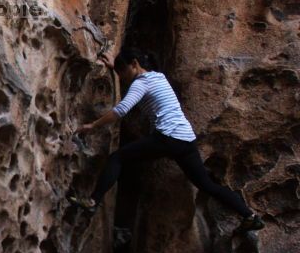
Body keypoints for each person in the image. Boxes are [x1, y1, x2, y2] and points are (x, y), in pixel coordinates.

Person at [67, 47, 265, 233]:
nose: (122, 77)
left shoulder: (141, 83)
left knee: (117, 158)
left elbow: (121, 110)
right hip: (185, 140)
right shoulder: (157, 77)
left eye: (122, 71)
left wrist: (92, 126)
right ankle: (249, 216)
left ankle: (93, 202)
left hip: (167, 137)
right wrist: (115, 67)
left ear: (134, 64)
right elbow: (135, 83)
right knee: (206, 184)